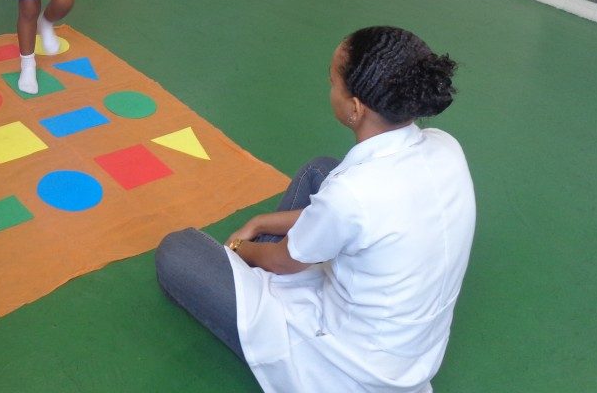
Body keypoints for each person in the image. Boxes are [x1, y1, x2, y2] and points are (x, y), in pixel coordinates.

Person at [155, 26, 476, 393]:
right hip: (408, 356)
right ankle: (251, 282)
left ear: (355, 108)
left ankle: (249, 296)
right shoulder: (444, 145)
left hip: (348, 370)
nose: (330, 90)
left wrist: (243, 247)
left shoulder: (353, 193)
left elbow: (282, 260)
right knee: (320, 170)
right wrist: (261, 221)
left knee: (177, 250)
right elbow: (354, 214)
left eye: (333, 83)